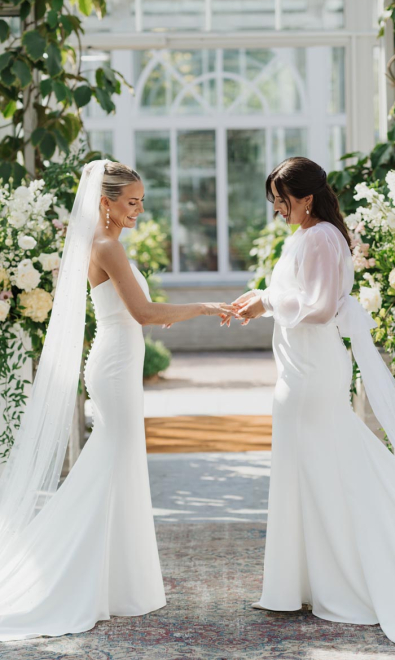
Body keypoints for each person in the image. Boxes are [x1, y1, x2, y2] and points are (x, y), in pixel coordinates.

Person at [229, 157, 395, 660]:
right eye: (273, 197)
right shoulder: (308, 236)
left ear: (306, 197)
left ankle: (340, 580)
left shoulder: (320, 238)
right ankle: (301, 581)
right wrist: (263, 297)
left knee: (322, 471)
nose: (276, 206)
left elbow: (317, 308)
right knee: (308, 470)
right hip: (301, 367)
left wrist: (266, 302)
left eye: (282, 197)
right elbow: (302, 297)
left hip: (313, 373)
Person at [0, 160, 238, 641]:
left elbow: (137, 314)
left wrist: (162, 315)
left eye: (142, 201)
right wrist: (204, 306)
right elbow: (145, 312)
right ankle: (70, 572)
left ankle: (118, 583)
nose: (139, 209)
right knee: (110, 465)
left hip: (120, 364)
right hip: (113, 368)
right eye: (131, 201)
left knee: (122, 465)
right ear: (105, 202)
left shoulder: (110, 244)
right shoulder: (106, 246)